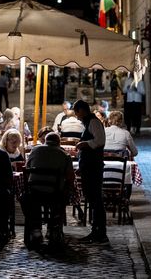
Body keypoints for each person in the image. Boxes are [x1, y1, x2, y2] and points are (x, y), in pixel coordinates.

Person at [21, 132, 75, 247]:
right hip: (53, 194)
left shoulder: (34, 151)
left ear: (45, 141)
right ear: (59, 143)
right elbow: (70, 178)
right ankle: (53, 227)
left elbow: (27, 168)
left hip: (34, 192)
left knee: (25, 198)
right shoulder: (64, 155)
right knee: (62, 197)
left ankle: (35, 228)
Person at [73, 99, 108, 243]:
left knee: (96, 199)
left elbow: (100, 141)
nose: (76, 116)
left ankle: (100, 232)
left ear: (81, 110)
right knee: (93, 198)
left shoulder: (93, 122)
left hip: (94, 167)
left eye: (77, 112)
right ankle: (96, 231)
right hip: (89, 166)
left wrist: (84, 144)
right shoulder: (88, 123)